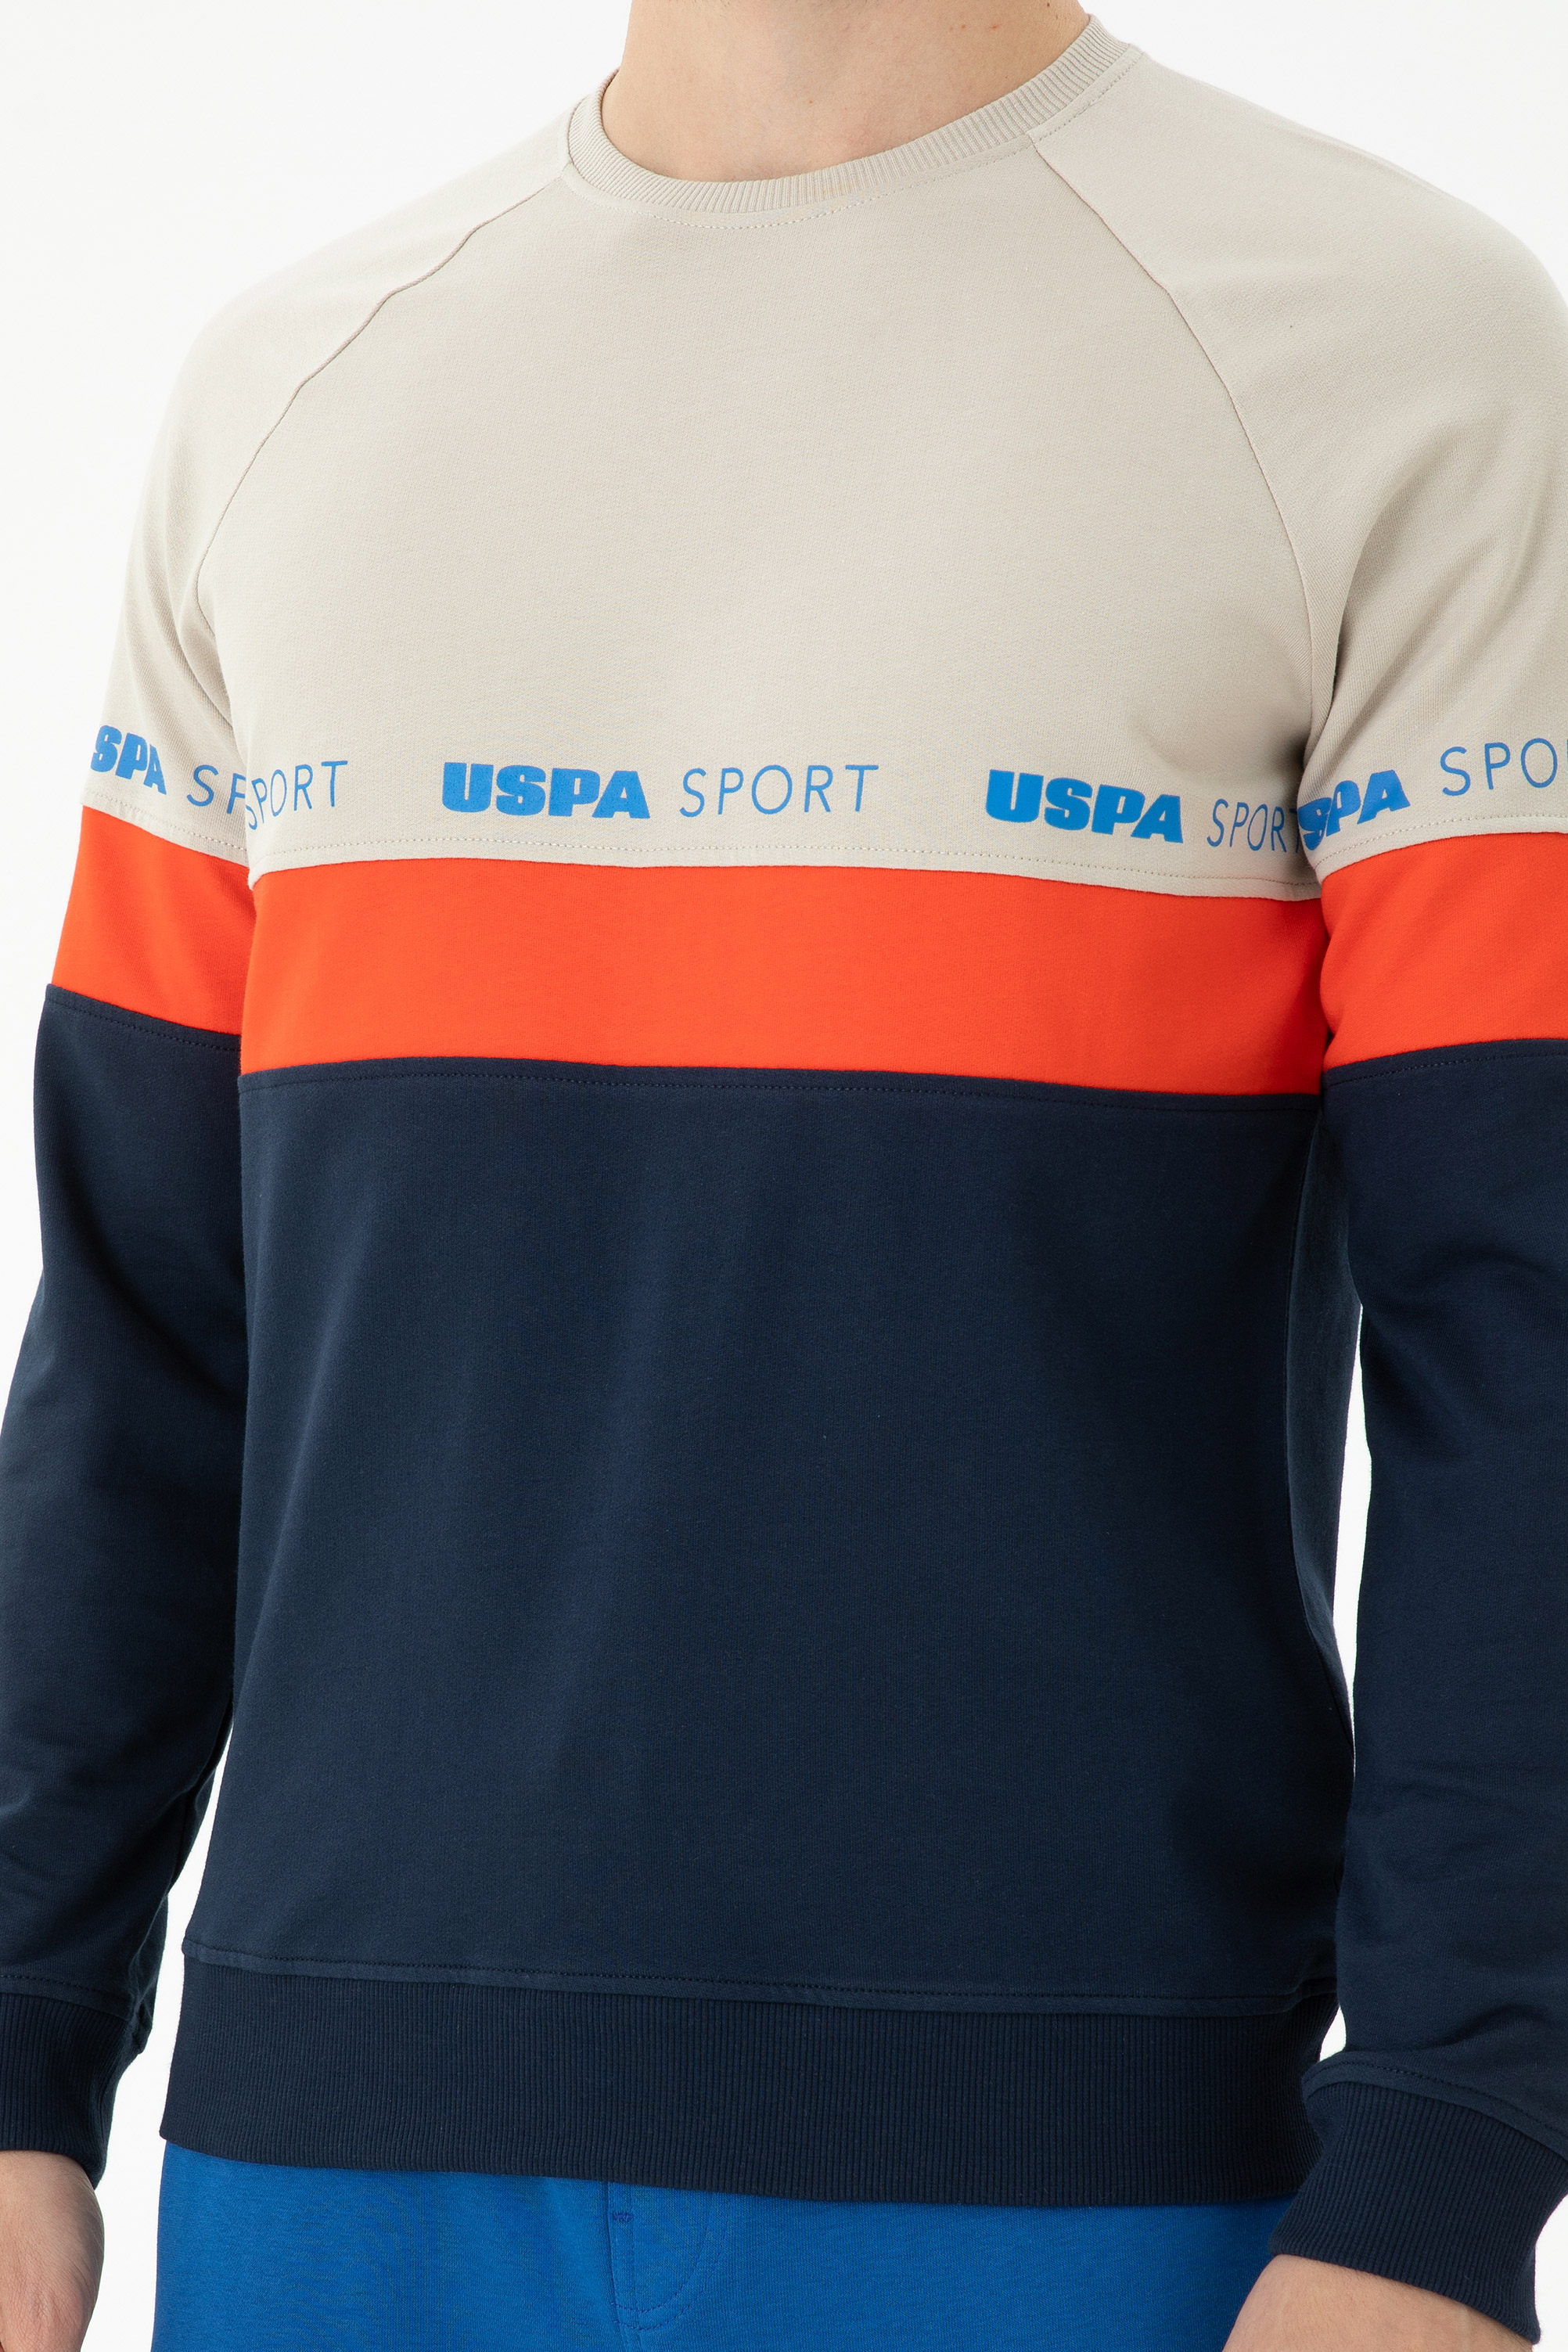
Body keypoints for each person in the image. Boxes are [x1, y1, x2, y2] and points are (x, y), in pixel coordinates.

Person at [1, 0, 1565, 2343]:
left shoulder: (1388, 347)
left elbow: (1522, 1336)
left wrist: (1443, 2175)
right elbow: (144, 1330)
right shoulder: (293, 383)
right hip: (329, 2166)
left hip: (1085, 2176)